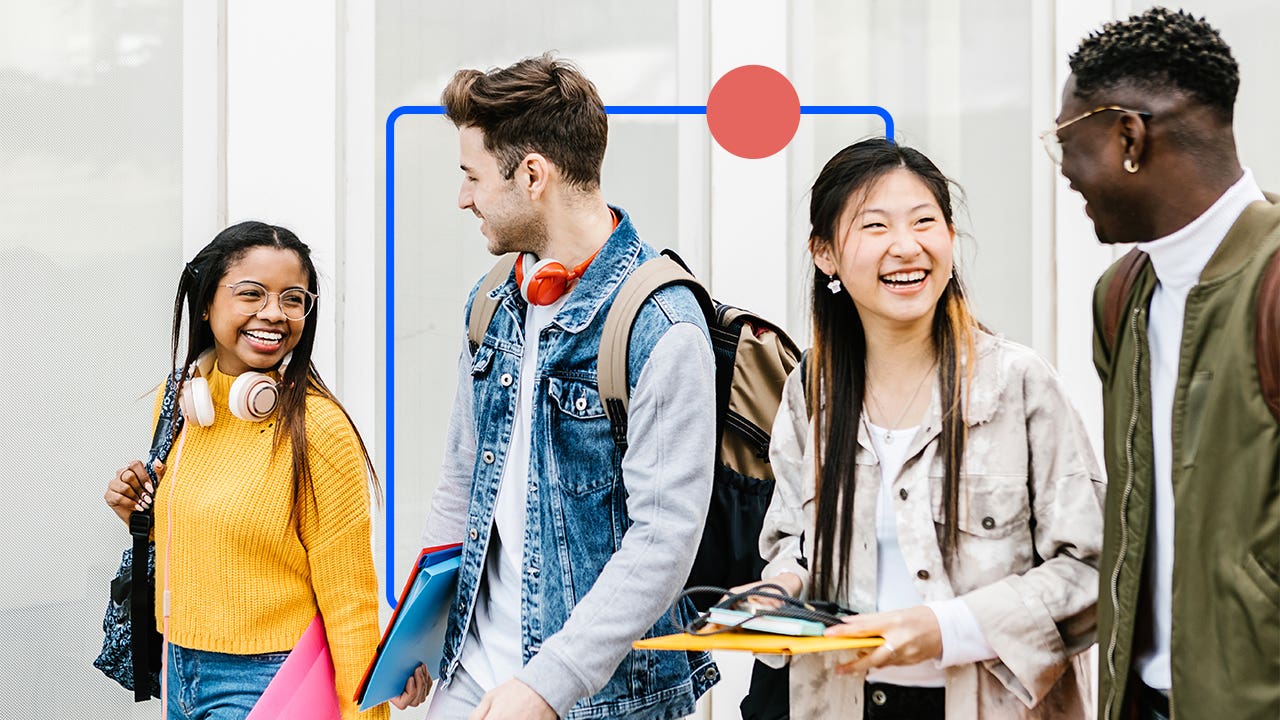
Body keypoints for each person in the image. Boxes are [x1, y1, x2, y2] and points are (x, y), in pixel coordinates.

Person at [750, 138, 1104, 719]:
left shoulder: (1018, 384)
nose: (906, 247)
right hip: (841, 701)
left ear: (950, 239)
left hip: (986, 703)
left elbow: (1092, 569)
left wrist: (949, 628)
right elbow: (793, 543)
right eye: (875, 227)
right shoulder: (810, 388)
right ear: (825, 255)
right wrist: (778, 591)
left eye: (924, 222)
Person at [414, 53, 718, 720]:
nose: (463, 197)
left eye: (471, 176)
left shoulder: (662, 326)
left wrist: (548, 682)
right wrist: (421, 636)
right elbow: (462, 484)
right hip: (472, 682)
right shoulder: (494, 299)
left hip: (603, 700)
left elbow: (663, 540)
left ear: (532, 175)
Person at [1046, 8, 1280, 720]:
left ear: (1128, 137)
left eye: (1066, 140)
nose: (1063, 172)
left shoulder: (1271, 286)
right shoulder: (1120, 298)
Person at [103, 221, 418, 719]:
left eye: (293, 299)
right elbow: (227, 544)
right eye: (251, 293)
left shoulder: (317, 426)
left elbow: (350, 599)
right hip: (178, 668)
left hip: (268, 678)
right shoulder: (181, 403)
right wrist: (142, 516)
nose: (274, 313)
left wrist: (368, 710)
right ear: (206, 303)